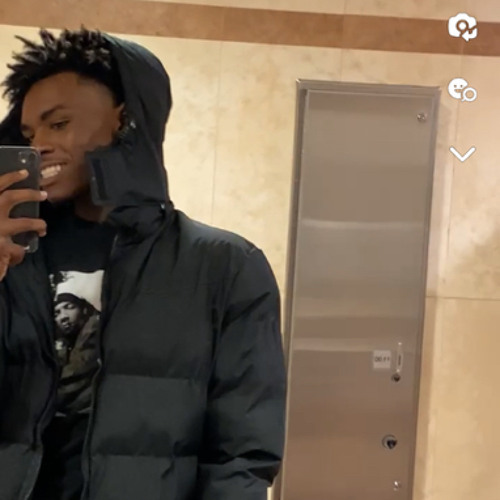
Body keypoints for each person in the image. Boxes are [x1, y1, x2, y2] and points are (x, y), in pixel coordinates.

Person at [0, 28, 286, 500]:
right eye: (29, 134)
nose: (40, 145)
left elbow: (241, 453)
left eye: (59, 124)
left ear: (126, 120)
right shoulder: (14, 257)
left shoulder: (226, 267)